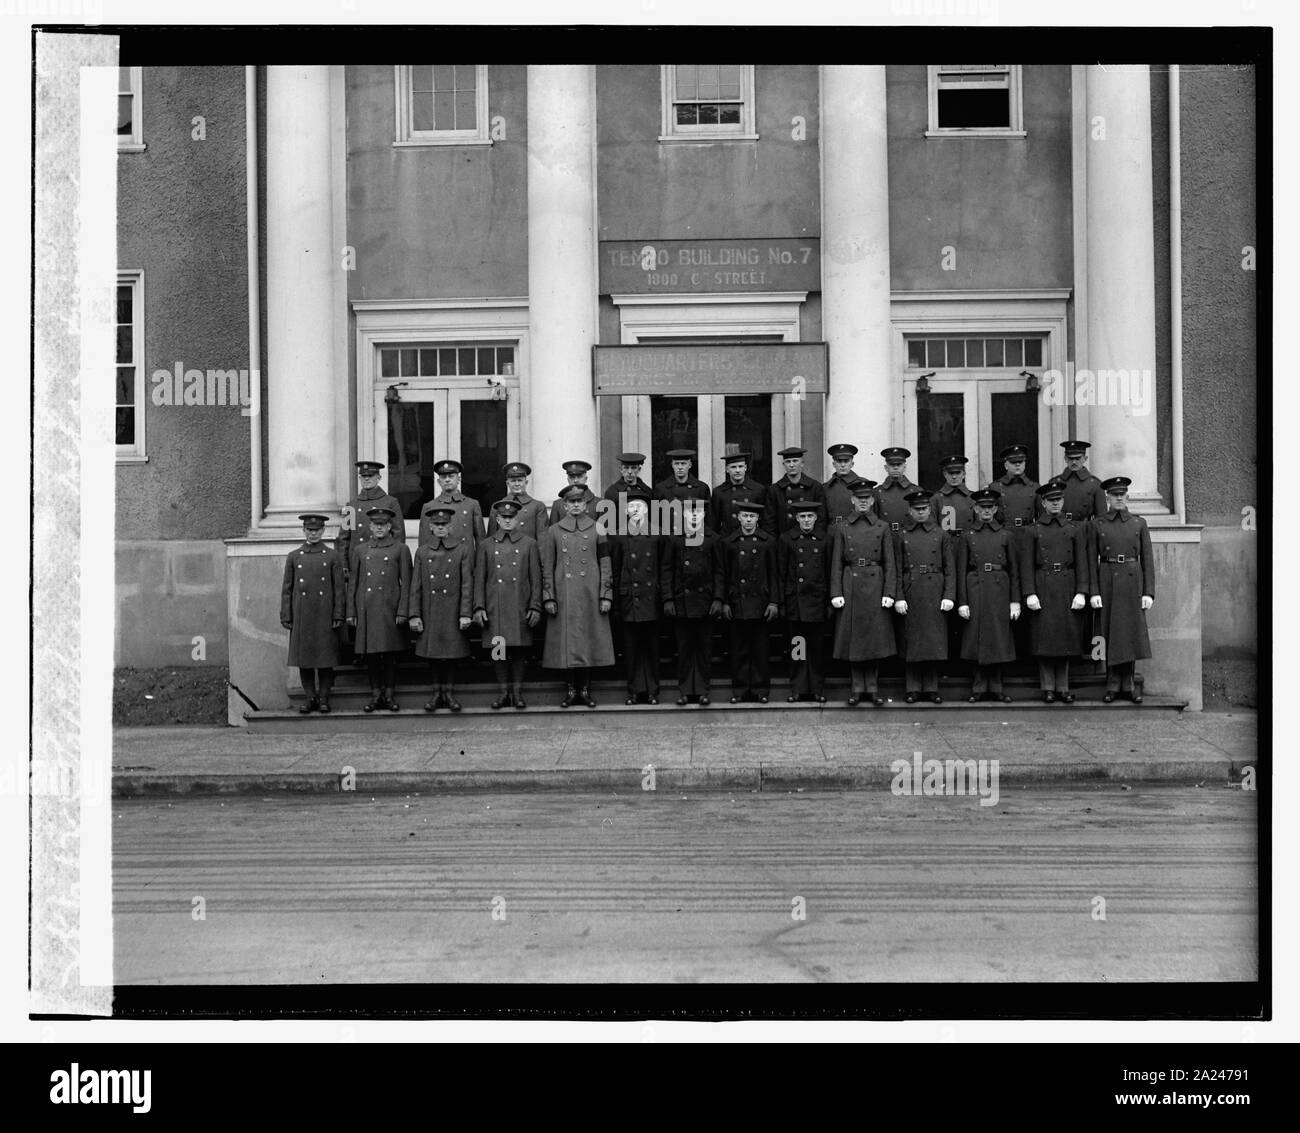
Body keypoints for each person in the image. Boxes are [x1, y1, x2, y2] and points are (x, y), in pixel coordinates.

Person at [540, 483, 614, 707]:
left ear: (585, 504)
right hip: (564, 595)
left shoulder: (598, 528)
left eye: (579, 502)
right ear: (564, 505)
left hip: (590, 594)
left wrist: (605, 594)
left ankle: (585, 690)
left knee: (588, 642)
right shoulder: (554, 531)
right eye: (571, 502)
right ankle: (571, 690)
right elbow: (548, 565)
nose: (576, 506)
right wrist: (549, 596)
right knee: (568, 644)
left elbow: (605, 562)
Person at [829, 481, 897, 706]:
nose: (863, 502)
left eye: (867, 499)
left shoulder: (882, 527)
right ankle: (857, 687)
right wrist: (836, 591)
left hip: (876, 583)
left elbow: (890, 563)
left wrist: (889, 591)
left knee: (874, 639)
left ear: (873, 500)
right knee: (854, 640)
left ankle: (873, 687)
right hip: (851, 583)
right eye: (859, 499)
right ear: (852, 500)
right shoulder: (843, 527)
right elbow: (836, 563)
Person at [1022, 479, 1090, 703]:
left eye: (1058, 500)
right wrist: (1029, 592)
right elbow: (1027, 564)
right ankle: (1047, 687)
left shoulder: (1074, 529)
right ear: (1043, 502)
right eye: (1051, 501)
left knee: (1066, 638)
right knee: (1045, 639)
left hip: (1067, 585)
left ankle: (1063, 686)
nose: (1055, 504)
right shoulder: (1033, 530)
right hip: (1043, 584)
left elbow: (1082, 562)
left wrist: (1082, 591)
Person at [1089, 476, 1155, 703]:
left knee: (1130, 635)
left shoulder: (1139, 523)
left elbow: (1147, 559)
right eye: (1114, 495)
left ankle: (1128, 686)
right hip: (1107, 577)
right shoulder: (1098, 524)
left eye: (1122, 494)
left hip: (1131, 579)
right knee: (1109, 634)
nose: (1118, 498)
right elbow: (1090, 560)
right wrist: (1094, 591)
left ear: (1127, 496)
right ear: (1107, 498)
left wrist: (1148, 592)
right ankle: (1112, 685)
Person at [475, 498, 543, 710]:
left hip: (519, 605)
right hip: (496, 606)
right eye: (503, 518)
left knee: (519, 651)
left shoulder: (529, 544)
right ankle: (503, 692)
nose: (507, 521)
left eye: (511, 517)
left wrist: (535, 606)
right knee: (499, 651)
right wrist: (479, 606)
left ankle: (517, 692)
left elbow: (535, 579)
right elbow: (480, 578)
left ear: (517, 519)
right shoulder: (486, 545)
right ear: (496, 519)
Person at [955, 488, 1022, 703]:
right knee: (976, 638)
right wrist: (962, 602)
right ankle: (978, 686)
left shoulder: (1005, 535)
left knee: (998, 639)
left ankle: (996, 686)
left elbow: (1014, 570)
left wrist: (1015, 601)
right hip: (975, 588)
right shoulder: (968, 535)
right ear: (975, 508)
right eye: (982, 507)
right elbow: (961, 569)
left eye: (990, 507)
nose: (986, 511)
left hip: (999, 589)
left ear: (995, 509)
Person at [406, 505, 475, 712]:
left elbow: (467, 584)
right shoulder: (423, 552)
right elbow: (415, 586)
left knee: (452, 653)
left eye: (444, 524)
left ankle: (450, 692)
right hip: (431, 610)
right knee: (434, 654)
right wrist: (414, 614)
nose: (441, 528)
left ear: (450, 525)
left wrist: (465, 613)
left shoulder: (461, 550)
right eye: (437, 524)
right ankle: (437, 693)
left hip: (453, 610)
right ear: (430, 527)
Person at [346, 505, 412, 712]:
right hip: (367, 609)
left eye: (383, 525)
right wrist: (351, 612)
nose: (380, 528)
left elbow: (407, 583)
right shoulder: (360, 550)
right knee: (372, 655)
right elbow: (354, 584)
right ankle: (376, 695)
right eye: (376, 525)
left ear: (390, 526)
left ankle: (390, 695)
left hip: (390, 609)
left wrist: (403, 610)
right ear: (370, 527)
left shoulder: (400, 549)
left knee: (390, 655)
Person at [280, 513, 345, 714]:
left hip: (324, 614)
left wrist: (338, 614)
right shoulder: (295, 556)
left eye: (317, 530)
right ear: (304, 531)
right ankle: (310, 698)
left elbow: (339, 589)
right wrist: (286, 615)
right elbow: (287, 589)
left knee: (325, 659)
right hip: (302, 614)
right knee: (305, 659)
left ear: (323, 531)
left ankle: (324, 698)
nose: (313, 533)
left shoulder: (332, 556)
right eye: (309, 530)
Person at [894, 490, 955, 703]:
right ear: (910, 511)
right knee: (912, 640)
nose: (921, 513)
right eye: (916, 509)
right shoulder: (901, 535)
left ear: (930, 510)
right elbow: (897, 568)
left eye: (924, 509)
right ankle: (912, 688)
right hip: (911, 588)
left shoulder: (941, 534)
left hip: (934, 589)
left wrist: (949, 595)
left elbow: (950, 568)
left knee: (932, 640)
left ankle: (931, 688)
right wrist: (899, 596)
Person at [662, 495, 721, 706]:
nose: (694, 516)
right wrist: (668, 599)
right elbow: (667, 570)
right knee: (684, 649)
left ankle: (703, 691)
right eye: (690, 512)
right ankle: (686, 691)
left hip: (706, 604)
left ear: (704, 514)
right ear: (684, 514)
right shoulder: (675, 539)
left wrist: (718, 598)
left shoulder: (713, 538)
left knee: (704, 649)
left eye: (698, 512)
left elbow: (719, 572)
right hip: (681, 603)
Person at [719, 500, 780, 703]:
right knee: (739, 649)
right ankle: (740, 690)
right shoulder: (729, 542)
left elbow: (774, 574)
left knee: (760, 650)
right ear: (738, 518)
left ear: (758, 518)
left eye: (752, 516)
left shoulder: (768, 542)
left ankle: (761, 690)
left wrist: (774, 602)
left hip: (762, 603)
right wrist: (725, 601)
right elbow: (724, 575)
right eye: (744, 516)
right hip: (737, 604)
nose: (748, 520)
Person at [608, 486, 664, 704]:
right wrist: (616, 601)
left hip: (651, 598)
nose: (636, 509)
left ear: (647, 509)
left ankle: (652, 691)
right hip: (629, 598)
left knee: (652, 648)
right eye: (631, 506)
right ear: (626, 511)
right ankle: (634, 690)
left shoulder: (657, 535)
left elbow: (661, 568)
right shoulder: (618, 536)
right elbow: (615, 569)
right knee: (631, 650)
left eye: (640, 505)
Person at [779, 499, 832, 703]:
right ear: (796, 518)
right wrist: (782, 602)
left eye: (810, 516)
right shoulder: (787, 539)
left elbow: (829, 573)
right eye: (803, 517)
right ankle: (798, 688)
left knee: (817, 649)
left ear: (816, 518)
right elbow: (781, 572)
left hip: (817, 602)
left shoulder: (825, 540)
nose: (807, 520)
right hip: (796, 604)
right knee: (797, 648)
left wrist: (828, 602)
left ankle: (817, 688)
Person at [336, 460, 401, 570]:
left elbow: (398, 534)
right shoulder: (351, 505)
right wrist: (343, 564)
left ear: (379, 478)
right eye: (363, 476)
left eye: (371, 476)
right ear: (359, 478)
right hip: (357, 560)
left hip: (382, 558)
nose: (367, 479)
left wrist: (396, 560)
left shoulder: (390, 502)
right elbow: (343, 538)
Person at [418, 459, 484, 548]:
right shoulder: (429, 507)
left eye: (451, 476)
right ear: (438, 481)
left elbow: (481, 541)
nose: (447, 480)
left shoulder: (471, 505)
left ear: (459, 479)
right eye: (443, 477)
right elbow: (424, 543)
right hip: (441, 559)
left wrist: (479, 562)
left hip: (467, 559)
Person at [709, 451, 772, 537]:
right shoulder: (719, 492)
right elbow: (714, 523)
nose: (737, 470)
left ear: (745, 468)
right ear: (727, 469)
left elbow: (765, 521)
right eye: (733, 467)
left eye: (740, 466)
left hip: (751, 540)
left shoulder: (758, 489)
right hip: (727, 540)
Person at [769, 446, 828, 535]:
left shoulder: (815, 487)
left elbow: (821, 518)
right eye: (788, 462)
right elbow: (770, 522)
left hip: (810, 540)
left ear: (802, 463)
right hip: (784, 541)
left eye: (795, 461)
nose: (791, 465)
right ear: (783, 464)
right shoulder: (775, 490)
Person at [488, 461, 548, 542]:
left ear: (526, 482)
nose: (517, 484)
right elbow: (491, 538)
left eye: (520, 480)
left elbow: (543, 540)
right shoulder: (498, 506)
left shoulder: (537, 506)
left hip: (528, 553)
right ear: (507, 483)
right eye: (513, 481)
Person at [1055, 439, 1108, 524]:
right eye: (1070, 458)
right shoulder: (1055, 482)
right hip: (1060, 532)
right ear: (1065, 459)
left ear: (1085, 458)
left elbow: (1101, 518)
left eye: (1078, 458)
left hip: (1085, 531)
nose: (1074, 462)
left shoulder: (1095, 484)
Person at [876, 446, 919, 533]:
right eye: (892, 465)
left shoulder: (915, 491)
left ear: (904, 467)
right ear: (886, 468)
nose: (895, 468)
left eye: (899, 465)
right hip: (886, 536)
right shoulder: (877, 492)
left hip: (908, 536)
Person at [931, 454, 975, 537]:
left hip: (968, 542)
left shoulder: (972, 498)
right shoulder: (936, 499)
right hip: (946, 543)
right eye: (950, 473)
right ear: (945, 474)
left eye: (958, 473)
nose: (954, 477)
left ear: (964, 474)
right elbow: (933, 527)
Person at [548, 459, 601, 525]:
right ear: (568, 479)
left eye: (579, 476)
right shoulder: (558, 504)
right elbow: (552, 532)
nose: (576, 480)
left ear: (586, 478)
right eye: (572, 477)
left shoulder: (599, 503)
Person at [823, 443, 862, 529]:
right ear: (834, 464)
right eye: (839, 461)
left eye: (846, 461)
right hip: (832, 533)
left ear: (852, 464)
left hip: (855, 532)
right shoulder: (825, 487)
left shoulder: (861, 484)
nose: (843, 465)